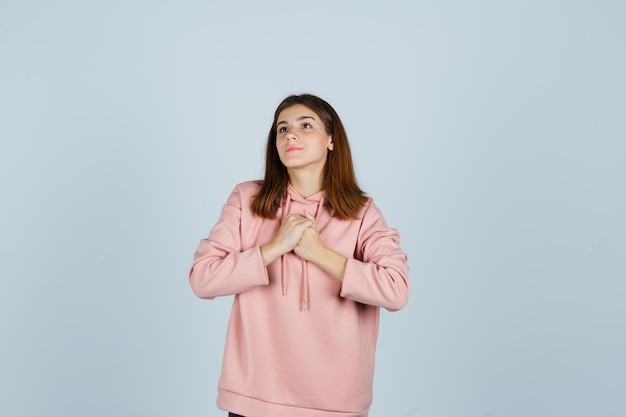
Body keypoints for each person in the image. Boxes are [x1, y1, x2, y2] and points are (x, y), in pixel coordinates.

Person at [188, 94, 409, 417]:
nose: (291, 134)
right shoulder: (246, 199)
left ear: (331, 140)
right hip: (254, 398)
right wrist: (274, 248)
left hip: (336, 401)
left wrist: (320, 254)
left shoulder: (362, 213)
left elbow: (396, 290)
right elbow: (202, 279)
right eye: (282, 128)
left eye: (306, 125)